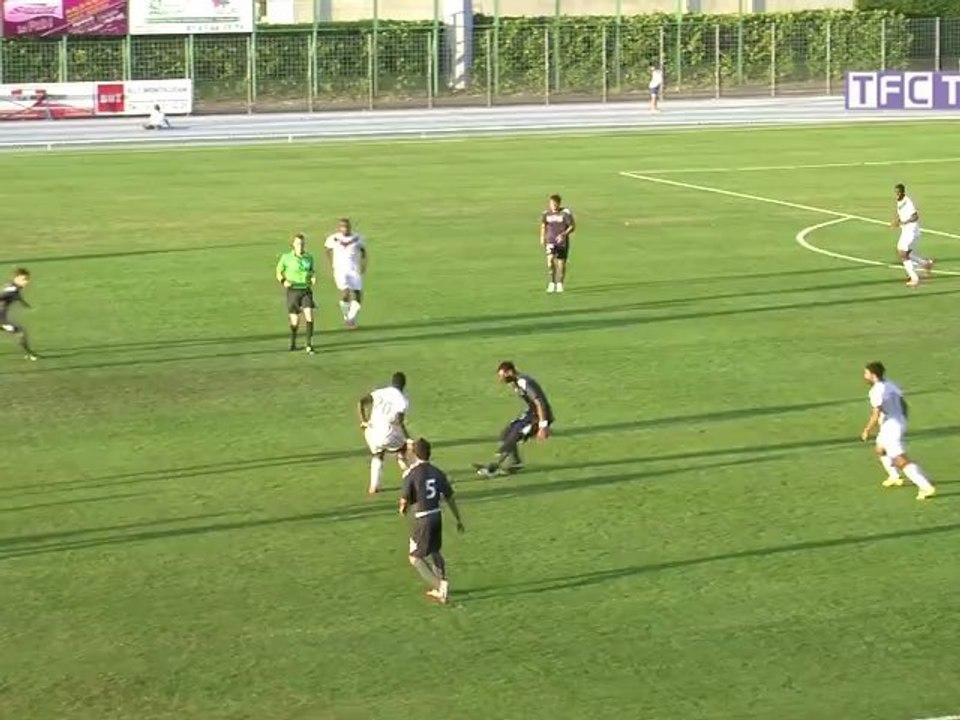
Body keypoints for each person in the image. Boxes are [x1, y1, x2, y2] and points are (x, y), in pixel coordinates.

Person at [399, 437, 465, 604]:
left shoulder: (412, 473)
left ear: (415, 453)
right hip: (436, 515)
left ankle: (440, 586)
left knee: (415, 558)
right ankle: (442, 578)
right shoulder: (437, 472)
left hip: (423, 519)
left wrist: (402, 510)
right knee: (435, 550)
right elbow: (450, 497)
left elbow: (404, 500)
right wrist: (458, 519)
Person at [860, 361, 936, 500]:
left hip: (891, 427)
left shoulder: (876, 391)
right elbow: (903, 402)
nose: (864, 376)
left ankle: (925, 486)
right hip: (897, 421)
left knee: (900, 460)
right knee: (880, 449)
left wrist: (867, 430)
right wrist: (902, 419)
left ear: (873, 375)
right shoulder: (890, 384)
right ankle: (894, 477)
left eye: (866, 373)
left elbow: (875, 414)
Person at [475, 361, 554, 478]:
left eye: (503, 376)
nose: (501, 380)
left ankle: (493, 468)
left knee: (513, 437)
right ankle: (515, 463)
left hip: (538, 417)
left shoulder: (524, 382)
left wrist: (543, 425)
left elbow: (539, 402)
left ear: (510, 372)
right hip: (530, 415)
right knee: (505, 433)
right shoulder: (517, 382)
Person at [358, 372, 411, 495]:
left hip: (372, 433)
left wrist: (363, 421)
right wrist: (408, 439)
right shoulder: (402, 400)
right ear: (403, 385)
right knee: (403, 450)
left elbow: (360, 402)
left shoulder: (380, 392)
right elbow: (399, 422)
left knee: (378, 454)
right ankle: (411, 478)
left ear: (392, 382)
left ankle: (373, 486)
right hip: (389, 433)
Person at [275, 234, 317, 354]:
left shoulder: (309, 257)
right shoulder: (286, 257)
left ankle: (309, 344)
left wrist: (313, 277)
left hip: (305, 290)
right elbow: (278, 272)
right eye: (298, 244)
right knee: (295, 321)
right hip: (293, 291)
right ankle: (293, 342)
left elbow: (312, 271)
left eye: (302, 244)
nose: (300, 246)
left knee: (309, 315)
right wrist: (284, 281)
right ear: (293, 244)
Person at [324, 218, 367, 329]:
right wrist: (331, 265)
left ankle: (351, 317)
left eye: (347, 227)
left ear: (350, 227)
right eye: (342, 227)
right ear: (339, 228)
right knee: (345, 293)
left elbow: (363, 252)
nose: (345, 229)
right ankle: (347, 318)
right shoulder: (333, 238)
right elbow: (327, 250)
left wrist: (363, 265)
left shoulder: (357, 238)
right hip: (340, 270)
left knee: (358, 293)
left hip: (353, 269)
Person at [891, 183, 934, 288]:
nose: (897, 195)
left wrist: (904, 222)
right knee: (904, 253)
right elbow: (902, 215)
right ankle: (926, 264)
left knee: (902, 253)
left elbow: (915, 216)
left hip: (911, 230)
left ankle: (915, 279)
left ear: (903, 192)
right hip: (906, 231)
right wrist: (897, 221)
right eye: (896, 193)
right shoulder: (899, 201)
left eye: (898, 193)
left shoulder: (908, 202)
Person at [540, 194, 576, 294]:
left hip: (562, 242)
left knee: (561, 263)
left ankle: (560, 283)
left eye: (555, 204)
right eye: (552, 203)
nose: (553, 205)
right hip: (550, 241)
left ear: (559, 203)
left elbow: (572, 226)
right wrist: (542, 237)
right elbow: (543, 225)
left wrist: (564, 234)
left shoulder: (565, 213)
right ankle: (552, 282)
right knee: (550, 261)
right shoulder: (546, 213)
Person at [0, 268, 38, 361]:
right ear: (16, 279)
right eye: (24, 279)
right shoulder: (12, 289)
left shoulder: (14, 287)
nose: (26, 282)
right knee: (20, 332)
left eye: (27, 279)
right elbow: (5, 295)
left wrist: (25, 305)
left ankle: (29, 353)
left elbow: (17, 297)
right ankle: (30, 354)